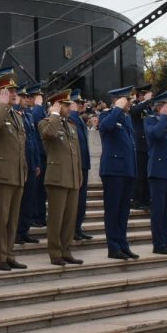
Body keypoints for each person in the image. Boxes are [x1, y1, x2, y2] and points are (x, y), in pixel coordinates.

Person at [0, 73, 29, 272]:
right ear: (0, 93)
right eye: (9, 91)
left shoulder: (15, 115)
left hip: (16, 174)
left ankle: (9, 254)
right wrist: (1, 105)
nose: (14, 93)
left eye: (14, 90)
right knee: (1, 219)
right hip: (1, 174)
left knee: (12, 219)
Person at [39, 89, 83, 265]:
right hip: (57, 177)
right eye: (65, 104)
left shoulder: (71, 125)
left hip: (71, 177)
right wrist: (55, 113)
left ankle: (66, 250)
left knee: (69, 218)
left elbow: (76, 153)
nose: (69, 107)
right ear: (57, 105)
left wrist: (79, 173)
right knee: (56, 218)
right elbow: (49, 134)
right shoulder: (46, 122)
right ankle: (55, 252)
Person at [99, 86, 138, 260]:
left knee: (123, 211)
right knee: (113, 210)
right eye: (127, 100)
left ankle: (122, 244)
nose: (131, 103)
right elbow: (105, 127)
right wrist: (117, 108)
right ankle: (113, 246)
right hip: (113, 170)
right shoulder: (107, 115)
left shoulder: (126, 118)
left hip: (127, 170)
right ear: (119, 100)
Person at [144, 92, 167, 255]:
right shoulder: (150, 120)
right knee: (159, 210)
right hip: (158, 172)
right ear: (160, 107)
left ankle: (166, 240)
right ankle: (158, 243)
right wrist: (164, 116)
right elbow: (156, 135)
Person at [16, 83, 46, 244]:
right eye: (23, 97)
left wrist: (36, 164)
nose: (26, 99)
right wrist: (39, 106)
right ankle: (17, 232)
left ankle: (24, 230)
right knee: (20, 201)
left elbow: (33, 141)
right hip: (21, 163)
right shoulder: (17, 113)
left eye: (28, 97)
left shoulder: (27, 115)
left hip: (32, 162)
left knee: (29, 199)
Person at [68, 90, 92, 241]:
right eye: (78, 103)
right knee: (75, 200)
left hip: (83, 164)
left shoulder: (80, 119)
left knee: (81, 200)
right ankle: (72, 229)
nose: (82, 105)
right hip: (75, 165)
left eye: (82, 103)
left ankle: (78, 227)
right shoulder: (71, 118)